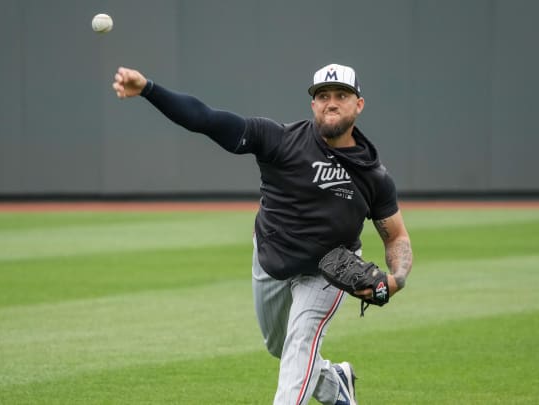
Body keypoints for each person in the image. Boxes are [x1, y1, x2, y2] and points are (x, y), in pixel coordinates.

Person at [112, 63, 413, 405]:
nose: (331, 102)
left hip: (328, 272)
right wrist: (149, 88)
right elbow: (206, 119)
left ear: (359, 104)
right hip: (271, 258)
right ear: (313, 104)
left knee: (299, 343)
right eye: (323, 96)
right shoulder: (279, 140)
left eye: (342, 95)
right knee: (278, 345)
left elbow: (396, 237)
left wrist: (397, 278)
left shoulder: (373, 176)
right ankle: (334, 381)